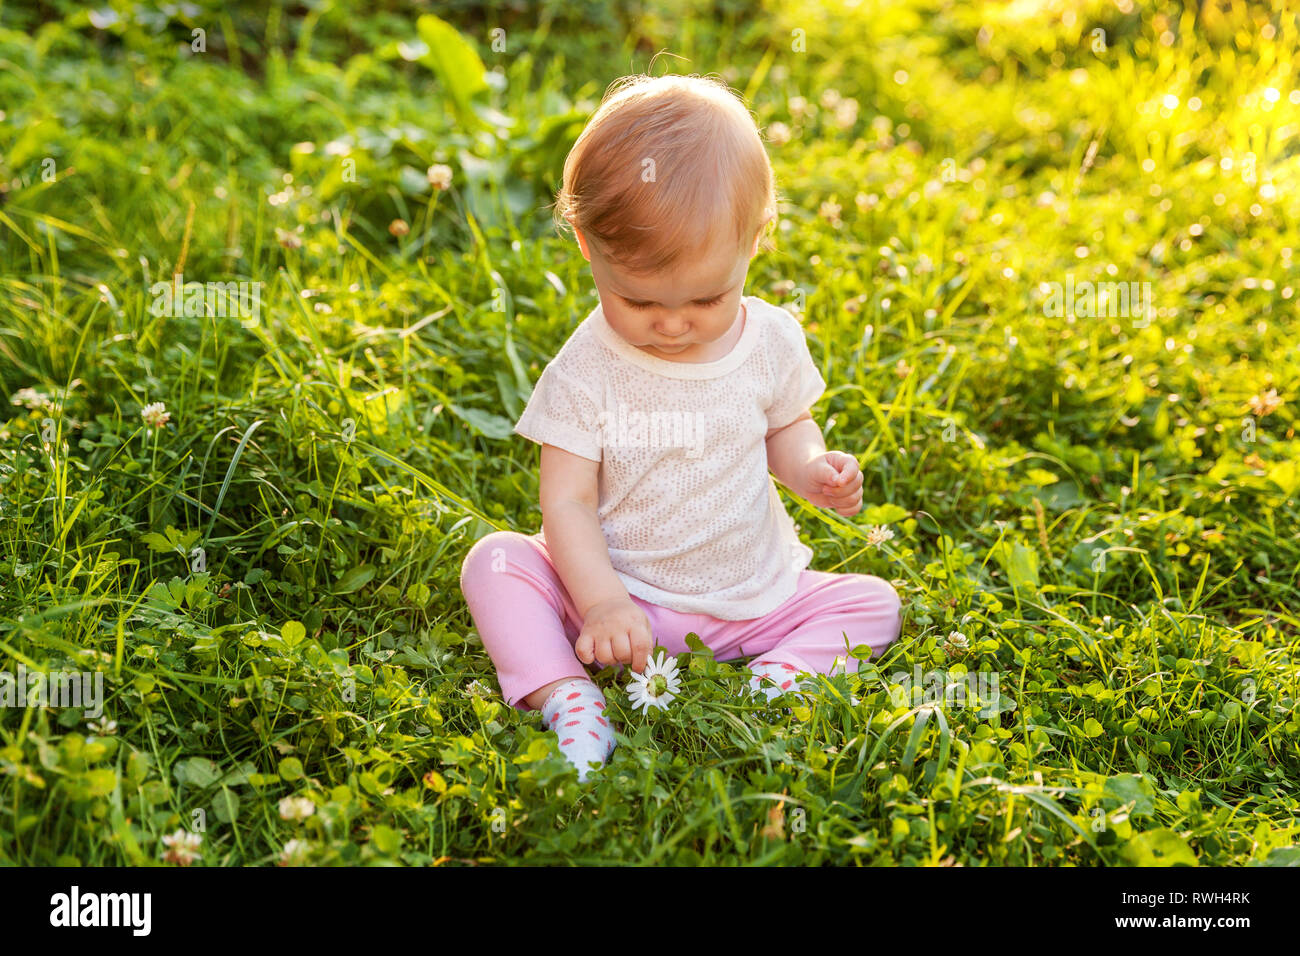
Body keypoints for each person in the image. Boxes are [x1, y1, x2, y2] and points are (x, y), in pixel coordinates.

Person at [460, 74, 902, 780]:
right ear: (585, 244)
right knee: (496, 563)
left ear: (755, 241)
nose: (670, 324)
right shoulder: (587, 368)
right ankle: (566, 694)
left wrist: (814, 467)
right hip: (620, 601)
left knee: (873, 605)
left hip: (749, 601)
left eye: (704, 298)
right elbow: (566, 501)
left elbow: (786, 429)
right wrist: (601, 604)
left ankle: (779, 674)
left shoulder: (770, 341)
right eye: (635, 300)